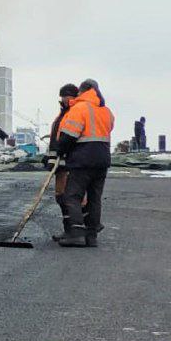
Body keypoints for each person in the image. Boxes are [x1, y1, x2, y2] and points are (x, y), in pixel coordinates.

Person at [54, 78, 114, 247]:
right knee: (95, 198)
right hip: (102, 159)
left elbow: (69, 135)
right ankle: (91, 236)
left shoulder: (79, 108)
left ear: (83, 91)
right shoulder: (106, 111)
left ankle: (76, 234)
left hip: (83, 159)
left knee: (72, 196)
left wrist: (60, 150)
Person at [46, 84, 80, 231]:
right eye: (62, 97)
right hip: (60, 164)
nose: (63, 100)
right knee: (60, 196)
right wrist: (49, 158)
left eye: (65, 97)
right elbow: (55, 139)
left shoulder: (74, 113)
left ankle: (74, 229)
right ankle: (68, 229)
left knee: (69, 197)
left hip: (69, 164)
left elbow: (69, 139)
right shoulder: (62, 115)